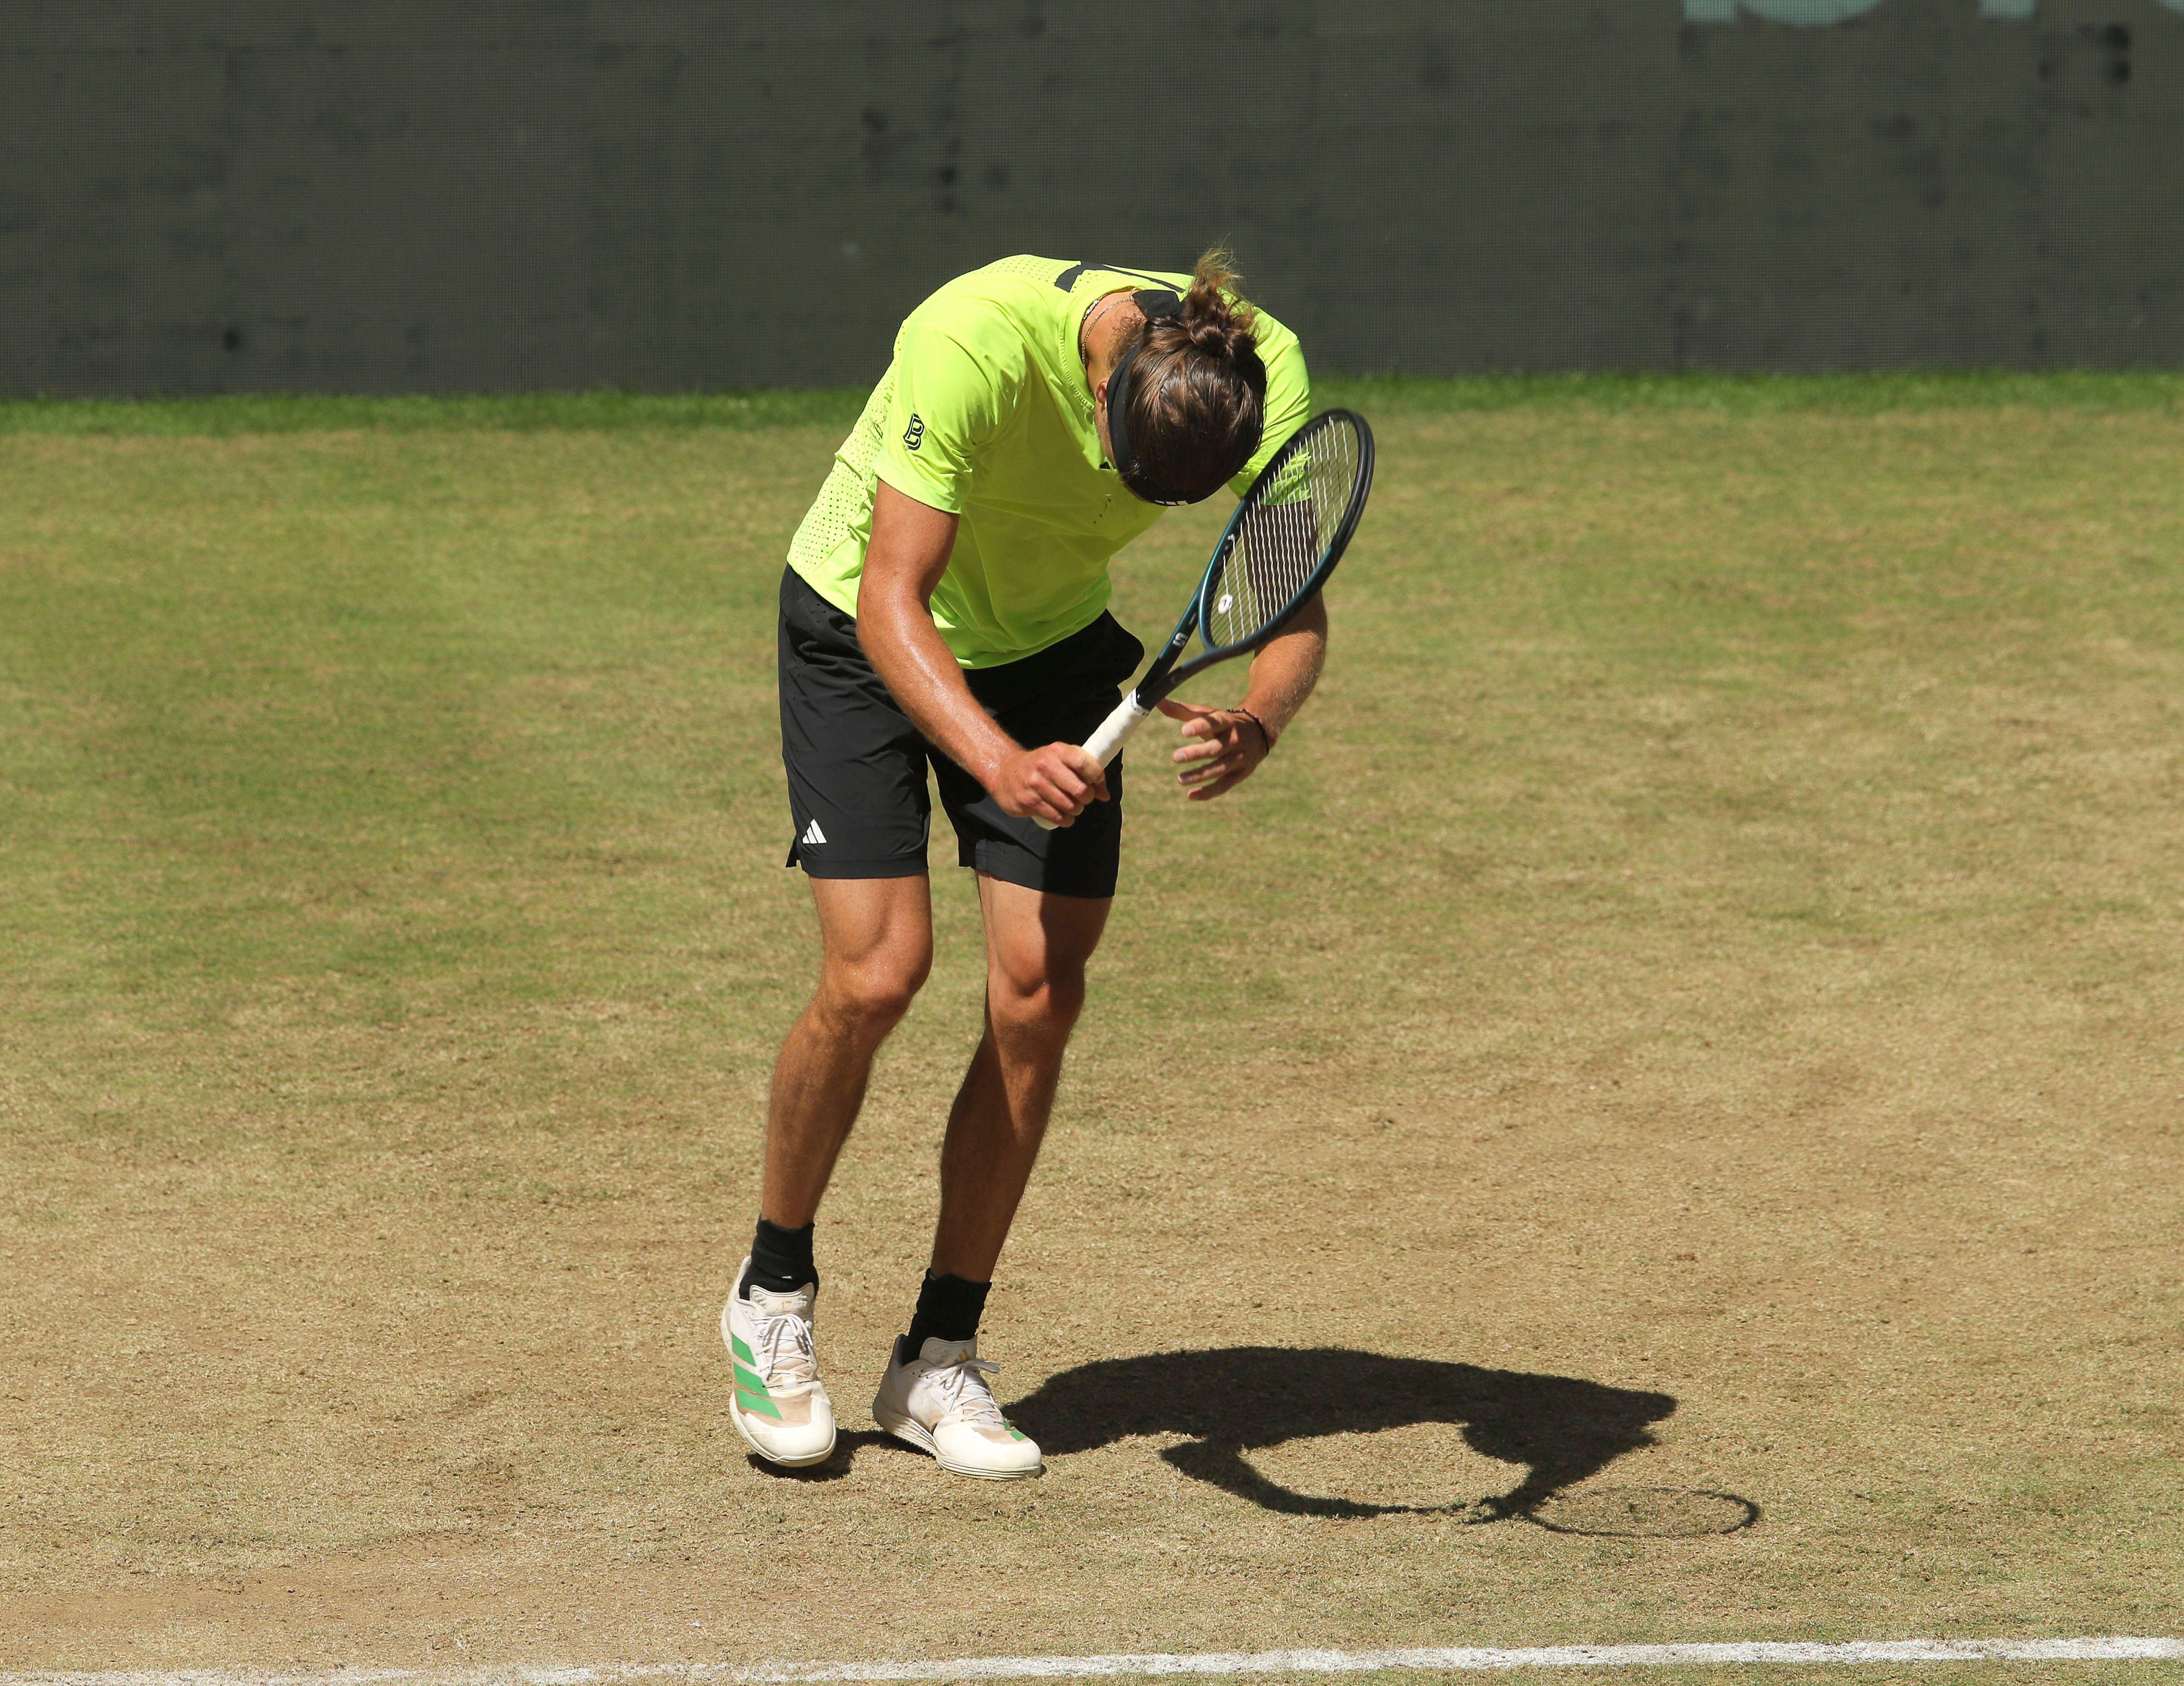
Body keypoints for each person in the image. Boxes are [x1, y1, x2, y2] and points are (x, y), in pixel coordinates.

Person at [725, 251, 1324, 1479]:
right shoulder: (971, 339)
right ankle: (769, 1293)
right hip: (862, 628)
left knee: (1038, 992)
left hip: (1048, 640)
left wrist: (1257, 718)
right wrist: (999, 763)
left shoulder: (1263, 368)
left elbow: (1289, 600)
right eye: (1125, 476)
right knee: (878, 969)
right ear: (1101, 388)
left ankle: (938, 1351)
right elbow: (894, 596)